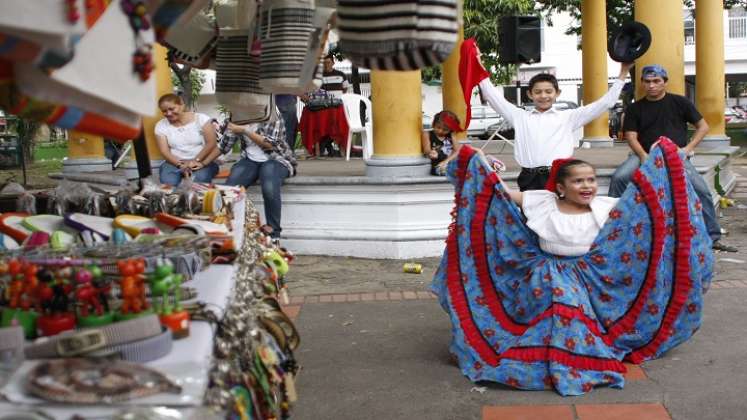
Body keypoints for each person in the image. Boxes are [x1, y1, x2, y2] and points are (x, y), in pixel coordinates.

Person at [431, 140, 713, 396]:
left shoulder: (605, 206)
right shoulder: (542, 201)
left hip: (590, 276)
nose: (587, 186)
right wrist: (478, 160)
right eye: (578, 181)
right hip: (545, 273)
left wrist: (663, 160)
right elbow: (498, 193)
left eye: (590, 180)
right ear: (561, 188)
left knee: (574, 307)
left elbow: (646, 205)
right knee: (559, 298)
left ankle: (575, 354)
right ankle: (551, 352)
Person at [609, 64, 736, 252]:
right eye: (647, 81)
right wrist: (644, 156)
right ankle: (614, 232)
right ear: (642, 83)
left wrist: (686, 149)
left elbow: (703, 127)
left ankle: (713, 237)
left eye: (656, 81)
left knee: (702, 189)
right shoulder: (635, 108)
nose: (651, 85)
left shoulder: (679, 102)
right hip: (644, 154)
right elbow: (631, 136)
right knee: (619, 178)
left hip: (675, 155)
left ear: (664, 82)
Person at [476, 54, 633, 191]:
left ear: (557, 93)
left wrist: (623, 72)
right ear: (530, 94)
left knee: (560, 221)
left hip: (560, 178)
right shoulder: (520, 117)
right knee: (531, 222)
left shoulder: (568, 117)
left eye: (548, 91)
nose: (543, 96)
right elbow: (491, 95)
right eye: (538, 92)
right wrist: (478, 62)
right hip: (529, 179)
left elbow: (605, 103)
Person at [207, 106, 297, 240]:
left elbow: (270, 145)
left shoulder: (272, 115)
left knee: (269, 185)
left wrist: (245, 130)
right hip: (249, 160)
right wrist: (202, 162)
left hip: (276, 159)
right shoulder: (237, 116)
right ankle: (228, 230)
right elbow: (224, 146)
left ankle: (273, 234)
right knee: (229, 189)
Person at [154, 94, 219, 186]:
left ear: (182, 105)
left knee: (199, 180)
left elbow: (211, 143)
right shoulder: (161, 125)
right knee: (168, 182)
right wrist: (179, 164)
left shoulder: (201, 119)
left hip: (202, 160)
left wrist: (195, 160)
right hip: (174, 162)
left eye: (172, 109)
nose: (168, 113)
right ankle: (175, 199)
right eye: (164, 111)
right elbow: (164, 151)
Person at [421, 111, 460, 176]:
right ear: (433, 124)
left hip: (450, 162)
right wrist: (431, 152)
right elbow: (426, 150)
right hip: (438, 165)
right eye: (438, 127)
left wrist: (446, 161)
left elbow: (457, 151)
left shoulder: (451, 135)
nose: (440, 131)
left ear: (450, 130)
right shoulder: (427, 134)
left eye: (445, 130)